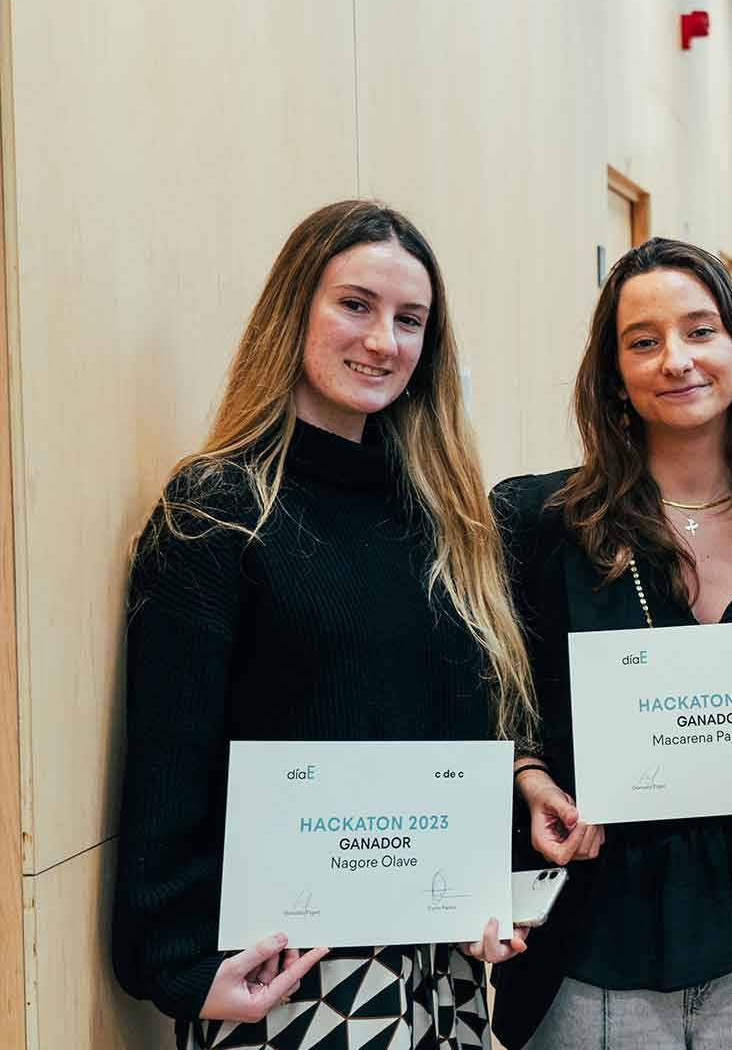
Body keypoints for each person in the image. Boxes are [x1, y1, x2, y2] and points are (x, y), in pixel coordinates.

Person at [112, 199, 534, 1050]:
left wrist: (487, 885)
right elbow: (168, 758)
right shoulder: (218, 510)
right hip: (292, 977)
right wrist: (177, 964)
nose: (383, 341)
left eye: (409, 320)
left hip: (439, 974)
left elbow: (459, 736)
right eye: (355, 305)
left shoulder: (444, 517)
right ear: (293, 312)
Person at [488, 238, 732, 1049]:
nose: (677, 360)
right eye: (643, 341)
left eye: (701, 331)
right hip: (591, 954)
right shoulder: (540, 522)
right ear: (614, 375)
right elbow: (489, 695)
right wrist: (528, 778)